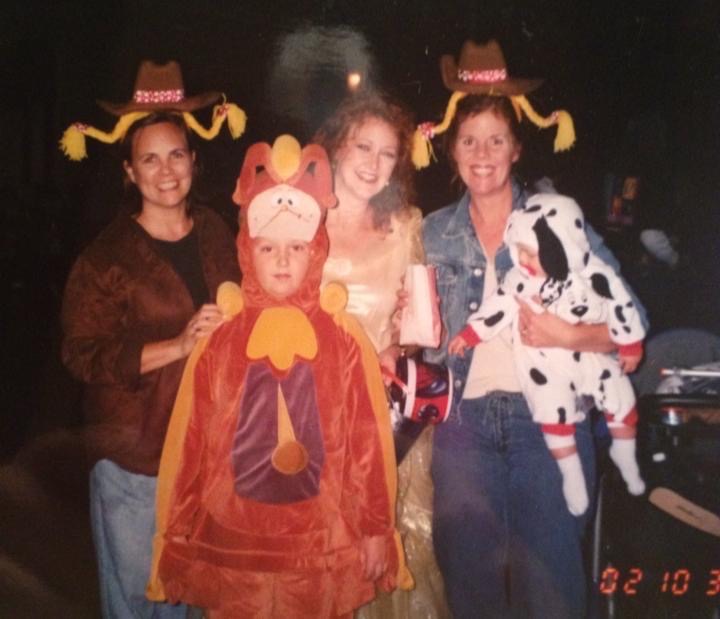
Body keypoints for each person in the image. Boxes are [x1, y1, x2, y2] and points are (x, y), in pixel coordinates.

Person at [418, 40, 647, 618]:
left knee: (550, 592)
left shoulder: (559, 220)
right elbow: (420, 340)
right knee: (472, 593)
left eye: (496, 139)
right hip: (462, 430)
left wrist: (567, 336)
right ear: (451, 150)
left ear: (517, 148)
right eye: (469, 141)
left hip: (547, 425)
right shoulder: (431, 232)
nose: (482, 154)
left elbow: (632, 326)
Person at [154, 135, 407, 618]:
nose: (284, 260)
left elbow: (366, 441)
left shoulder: (342, 338)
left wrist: (376, 527)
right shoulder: (221, 341)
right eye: (268, 248)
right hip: (234, 549)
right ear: (247, 251)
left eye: (296, 247)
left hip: (319, 547)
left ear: (316, 251)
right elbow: (192, 439)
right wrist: (178, 531)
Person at [60, 61, 243, 618]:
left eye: (176, 155)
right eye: (150, 159)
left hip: (206, 450)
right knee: (140, 601)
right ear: (129, 171)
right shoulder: (106, 257)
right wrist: (177, 346)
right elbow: (81, 354)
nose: (166, 171)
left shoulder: (216, 231)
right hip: (135, 457)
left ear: (194, 160)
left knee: (191, 597)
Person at [315, 93, 451, 618]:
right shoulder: (300, 220)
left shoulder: (406, 225)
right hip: (317, 420)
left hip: (387, 420)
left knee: (392, 555)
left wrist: (403, 341)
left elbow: (418, 329)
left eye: (388, 153)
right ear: (336, 148)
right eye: (362, 147)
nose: (374, 164)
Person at [449, 192, 646, 516]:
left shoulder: (594, 274)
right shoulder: (519, 281)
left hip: (589, 357)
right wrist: (471, 334)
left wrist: (629, 345)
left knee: (619, 393)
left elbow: (622, 306)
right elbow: (496, 306)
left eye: (532, 253)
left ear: (560, 248)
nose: (523, 260)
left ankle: (625, 456)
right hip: (544, 367)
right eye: (519, 251)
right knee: (552, 412)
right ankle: (570, 473)